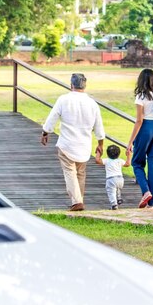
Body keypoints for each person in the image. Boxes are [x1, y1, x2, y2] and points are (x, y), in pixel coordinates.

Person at [41, 73, 105, 211]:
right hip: (84, 146)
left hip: (67, 144)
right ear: (85, 86)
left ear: (71, 85)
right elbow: (98, 126)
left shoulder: (64, 100)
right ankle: (78, 200)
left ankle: (77, 201)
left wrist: (46, 132)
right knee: (80, 173)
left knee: (70, 172)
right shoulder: (92, 103)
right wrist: (100, 144)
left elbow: (52, 117)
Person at [126, 69, 153, 208]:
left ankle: (145, 191)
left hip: (145, 128)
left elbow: (139, 120)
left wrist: (130, 141)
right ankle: (151, 203)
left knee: (137, 163)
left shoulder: (140, 96)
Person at [95, 145, 131, 210]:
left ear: (108, 154)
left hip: (111, 179)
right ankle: (119, 198)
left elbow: (97, 160)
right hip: (120, 179)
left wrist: (98, 152)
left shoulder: (107, 160)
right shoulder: (120, 160)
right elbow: (128, 164)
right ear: (119, 154)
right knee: (118, 188)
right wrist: (128, 155)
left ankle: (114, 204)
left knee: (111, 192)